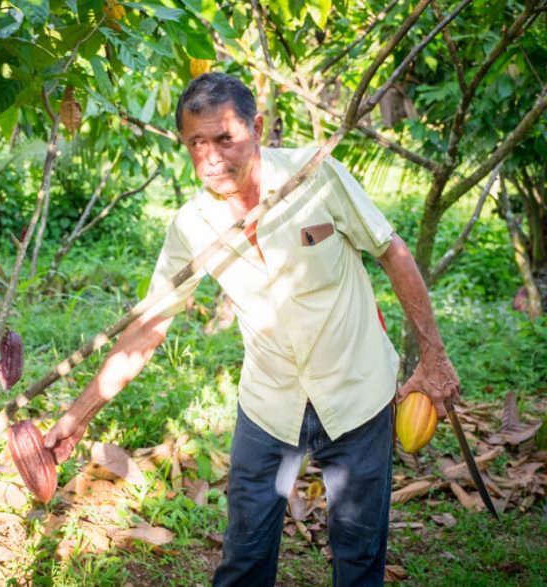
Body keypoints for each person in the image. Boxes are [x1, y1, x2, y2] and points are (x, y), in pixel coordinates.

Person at [44, 72, 460, 586]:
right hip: (270, 405)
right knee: (243, 556)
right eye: (198, 142)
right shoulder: (191, 226)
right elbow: (148, 327)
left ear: (257, 127)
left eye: (226, 138)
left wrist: (433, 356)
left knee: (358, 552)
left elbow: (392, 251)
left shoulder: (316, 176)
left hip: (356, 393)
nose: (213, 156)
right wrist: (79, 414)